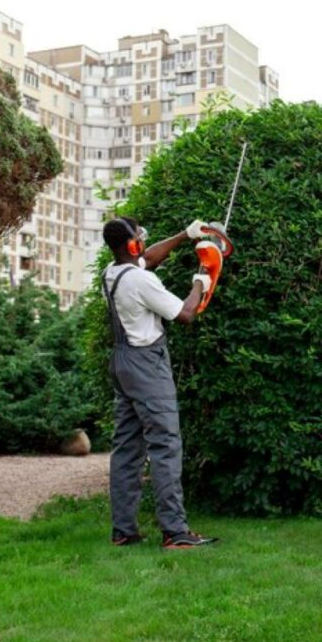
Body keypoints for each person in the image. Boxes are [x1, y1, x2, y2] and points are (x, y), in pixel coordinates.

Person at [101, 216, 218, 549]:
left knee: (126, 449)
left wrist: (186, 235)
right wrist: (202, 279)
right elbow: (185, 314)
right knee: (165, 446)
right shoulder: (140, 282)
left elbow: (148, 259)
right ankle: (174, 531)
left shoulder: (112, 274)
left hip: (122, 362)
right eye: (140, 236)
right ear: (133, 244)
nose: (143, 240)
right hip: (147, 366)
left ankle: (123, 531)